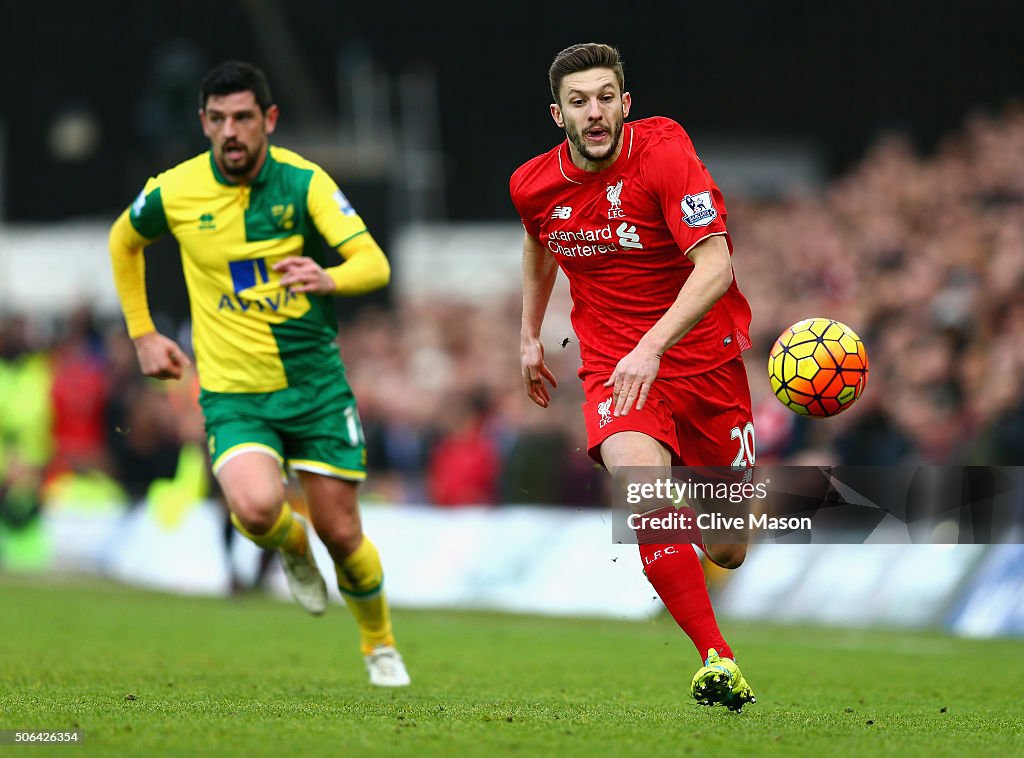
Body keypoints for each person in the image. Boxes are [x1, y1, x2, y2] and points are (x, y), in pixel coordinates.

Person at [108, 60, 409, 687]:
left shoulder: (305, 183)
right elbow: (123, 239)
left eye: (243, 117)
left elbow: (373, 262)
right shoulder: (177, 190)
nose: (230, 131)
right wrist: (142, 333)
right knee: (253, 508)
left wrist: (330, 276)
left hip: (316, 387)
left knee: (344, 533)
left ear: (268, 120)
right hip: (233, 393)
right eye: (217, 120)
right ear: (203, 124)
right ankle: (290, 547)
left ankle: (378, 642)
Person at [510, 43, 755, 710]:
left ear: (626, 102)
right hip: (616, 367)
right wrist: (530, 333)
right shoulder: (532, 183)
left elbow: (716, 268)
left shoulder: (666, 152)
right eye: (579, 101)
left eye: (605, 97)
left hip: (706, 365)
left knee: (730, 547)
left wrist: (654, 346)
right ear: (557, 114)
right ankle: (717, 658)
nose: (595, 112)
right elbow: (539, 242)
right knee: (643, 486)